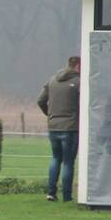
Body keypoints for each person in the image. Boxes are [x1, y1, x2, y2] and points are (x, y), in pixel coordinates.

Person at [37, 56, 81, 202]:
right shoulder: (79, 81)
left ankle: (51, 192)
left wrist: (49, 114)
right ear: (78, 66)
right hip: (71, 127)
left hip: (53, 126)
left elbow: (40, 100)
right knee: (68, 162)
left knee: (56, 158)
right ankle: (67, 196)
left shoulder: (52, 80)